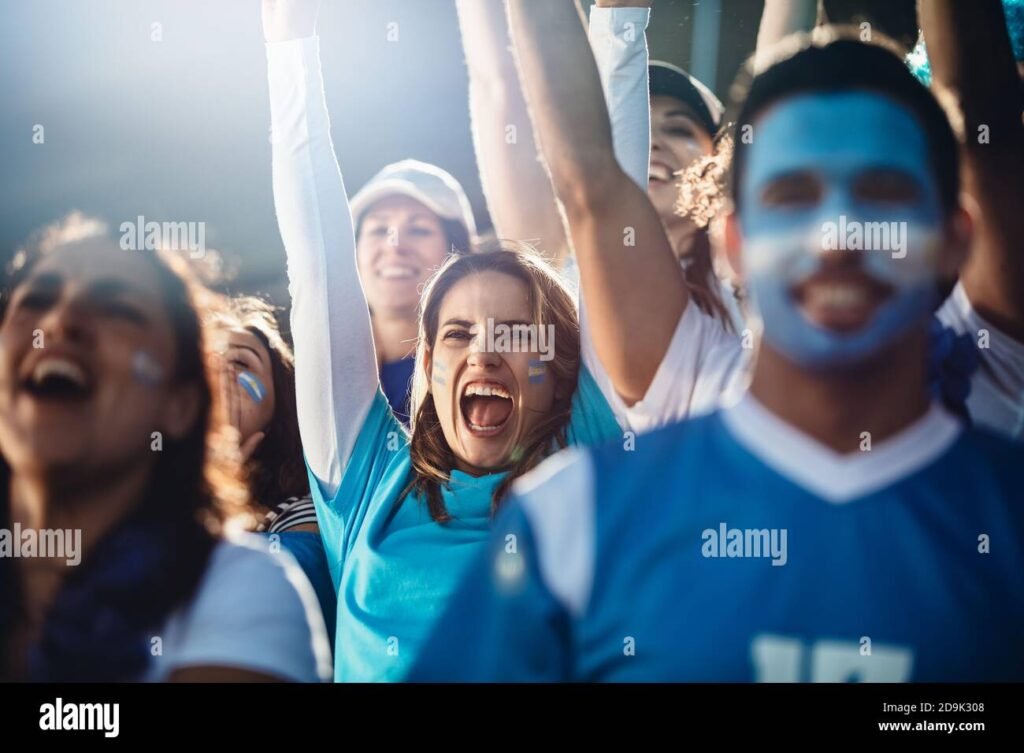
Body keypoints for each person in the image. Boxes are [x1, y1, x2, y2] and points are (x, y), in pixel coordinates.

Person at [410, 21, 1024, 682]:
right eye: (793, 197)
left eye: (882, 194)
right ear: (733, 242)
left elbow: (985, 112)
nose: (837, 235)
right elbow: (588, 177)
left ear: (958, 237)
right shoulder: (571, 519)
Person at [262, 0, 679, 681]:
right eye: (457, 333)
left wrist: (621, 21)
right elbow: (318, 267)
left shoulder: (591, 445)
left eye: (513, 332)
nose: (483, 352)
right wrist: (289, 43)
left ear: (556, 363)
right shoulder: (365, 476)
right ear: (427, 363)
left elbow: (607, 207)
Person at [0, 214, 331, 682]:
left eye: (117, 308)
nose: (59, 321)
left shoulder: (247, 576)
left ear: (181, 405)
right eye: (35, 298)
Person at [212, 294, 336, 645]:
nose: (220, 370)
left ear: (279, 403)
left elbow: (280, 596)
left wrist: (219, 489)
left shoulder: (303, 511)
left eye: (240, 361)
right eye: (203, 357)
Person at [349, 160, 477, 425]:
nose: (394, 247)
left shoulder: (485, 369)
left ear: (458, 252)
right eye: (379, 230)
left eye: (419, 229)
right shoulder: (320, 372)